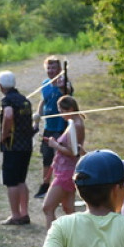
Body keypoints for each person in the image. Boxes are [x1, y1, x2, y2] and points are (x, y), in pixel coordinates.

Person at [0, 71, 35, 225]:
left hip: (13, 145)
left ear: (0, 86)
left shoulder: (8, 101)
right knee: (21, 180)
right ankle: (25, 213)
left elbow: (8, 115)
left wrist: (4, 134)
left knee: (11, 181)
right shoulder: (25, 100)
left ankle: (15, 215)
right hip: (26, 144)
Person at [41, 95, 84, 230]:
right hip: (66, 171)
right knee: (69, 209)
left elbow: (73, 152)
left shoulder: (76, 125)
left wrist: (55, 145)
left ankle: (50, 245)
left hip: (66, 173)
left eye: (62, 111)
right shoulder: (73, 123)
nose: (61, 114)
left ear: (70, 109)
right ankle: (75, 242)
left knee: (48, 207)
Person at [34, 56, 74, 199]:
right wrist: (37, 120)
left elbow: (68, 92)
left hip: (61, 128)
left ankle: (59, 186)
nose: (51, 71)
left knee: (59, 157)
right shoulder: (45, 84)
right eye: (48, 68)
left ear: (59, 70)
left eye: (54, 68)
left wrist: (63, 87)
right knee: (46, 156)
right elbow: (43, 101)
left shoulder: (64, 83)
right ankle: (45, 185)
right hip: (49, 127)